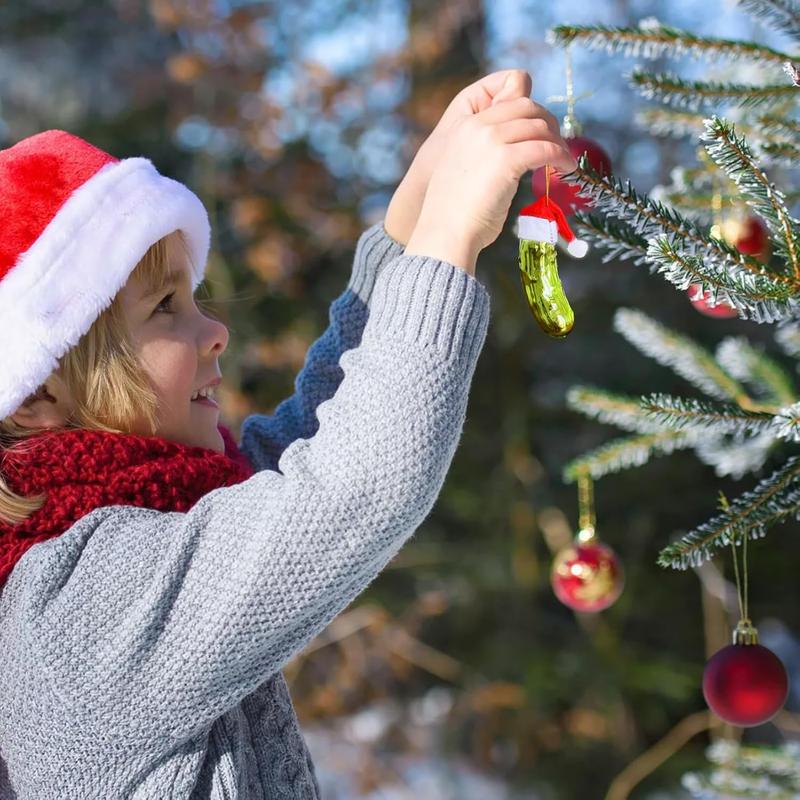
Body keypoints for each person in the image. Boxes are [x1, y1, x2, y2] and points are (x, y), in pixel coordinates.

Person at [0, 69, 576, 798]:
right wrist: (447, 241)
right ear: (42, 389)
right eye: (165, 309)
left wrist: (409, 225)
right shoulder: (75, 613)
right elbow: (342, 489)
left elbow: (300, 453)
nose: (215, 330)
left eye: (195, 298)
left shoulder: (147, 522)